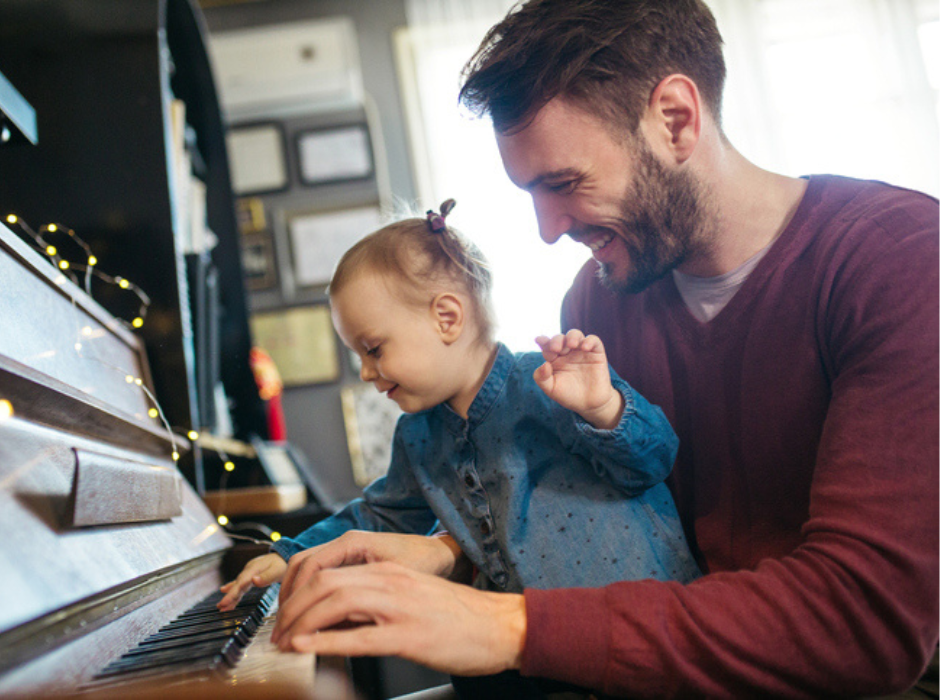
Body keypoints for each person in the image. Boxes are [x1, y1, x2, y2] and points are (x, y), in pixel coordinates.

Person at [267, 1, 939, 698]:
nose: (548, 229)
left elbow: (866, 625)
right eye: (531, 193)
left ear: (675, 119)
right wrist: (445, 555)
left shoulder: (898, 261)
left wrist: (510, 627)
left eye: (563, 184)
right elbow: (607, 527)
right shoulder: (596, 298)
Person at [219, 202, 700, 620]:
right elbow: (378, 516)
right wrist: (291, 554)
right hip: (527, 653)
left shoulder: (552, 383)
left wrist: (604, 409)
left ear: (446, 319)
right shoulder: (417, 435)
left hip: (638, 628)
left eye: (373, 349)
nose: (366, 372)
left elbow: (654, 461)